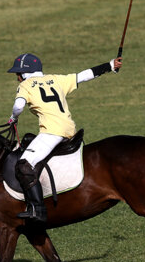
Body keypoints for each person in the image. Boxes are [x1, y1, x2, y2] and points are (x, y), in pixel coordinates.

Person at [7, 52, 122, 223]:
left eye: (18, 73)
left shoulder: (26, 85)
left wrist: (13, 118)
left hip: (52, 133)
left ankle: (37, 210)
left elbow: (18, 106)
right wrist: (110, 65)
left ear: (25, 73)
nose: (17, 77)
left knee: (24, 165)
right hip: (70, 130)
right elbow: (83, 76)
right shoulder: (56, 79)